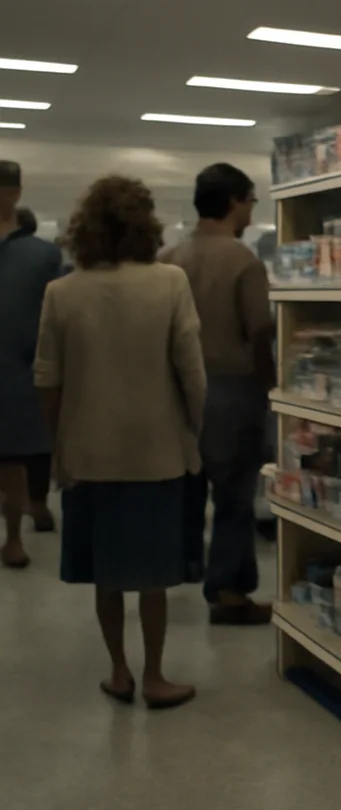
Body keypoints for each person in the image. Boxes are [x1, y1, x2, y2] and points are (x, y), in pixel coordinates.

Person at [34, 175, 207, 709]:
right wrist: (191, 432)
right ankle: (156, 675)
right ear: (146, 224)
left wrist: (59, 448)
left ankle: (119, 672)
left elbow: (47, 382)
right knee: (153, 576)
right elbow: (191, 372)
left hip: (89, 455)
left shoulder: (62, 292)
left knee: (104, 575)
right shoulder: (170, 282)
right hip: (157, 453)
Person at [164, 163, 275, 626]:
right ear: (233, 201)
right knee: (233, 497)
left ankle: (180, 570)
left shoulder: (168, 258)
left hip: (177, 391)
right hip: (233, 390)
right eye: (250, 200)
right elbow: (260, 331)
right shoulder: (243, 261)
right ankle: (228, 592)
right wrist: (273, 388)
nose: (251, 210)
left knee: (186, 489)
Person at [0, 165, 62, 568]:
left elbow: (51, 319)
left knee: (12, 461)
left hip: (16, 372)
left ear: (16, 193)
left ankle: (13, 539)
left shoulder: (42, 255)